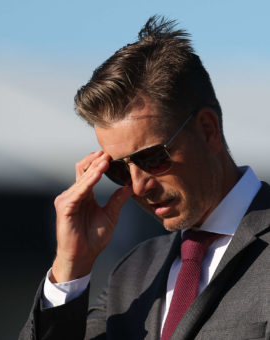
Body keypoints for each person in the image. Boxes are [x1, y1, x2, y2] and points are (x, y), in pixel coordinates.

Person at [19, 16, 270, 340]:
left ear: (208, 131)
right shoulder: (134, 272)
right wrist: (71, 264)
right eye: (119, 170)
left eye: (152, 158)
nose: (138, 186)